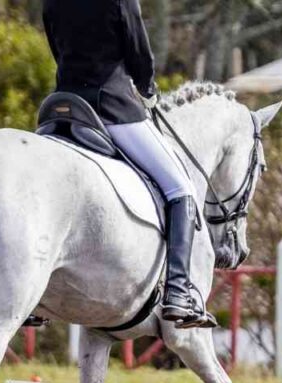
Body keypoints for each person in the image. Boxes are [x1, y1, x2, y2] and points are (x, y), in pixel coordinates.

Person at [42, 0, 213, 328]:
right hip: (112, 106)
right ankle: (178, 290)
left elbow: (56, 48)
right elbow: (139, 53)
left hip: (63, 106)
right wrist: (147, 88)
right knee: (181, 189)